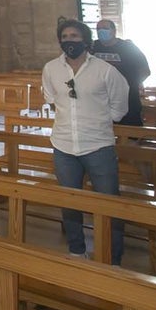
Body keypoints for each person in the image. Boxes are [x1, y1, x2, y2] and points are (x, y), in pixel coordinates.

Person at [41, 19, 129, 263]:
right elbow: (51, 98)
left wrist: (94, 120)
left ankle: (113, 257)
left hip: (97, 144)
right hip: (64, 145)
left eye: (75, 36)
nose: (70, 40)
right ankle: (77, 250)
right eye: (65, 36)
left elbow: (119, 107)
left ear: (86, 40)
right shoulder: (51, 69)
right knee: (70, 202)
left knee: (108, 203)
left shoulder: (105, 70)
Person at [93, 19, 150, 126]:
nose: (101, 31)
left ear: (113, 31)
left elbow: (145, 70)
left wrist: (131, 84)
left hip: (127, 98)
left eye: (105, 28)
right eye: (98, 29)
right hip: (100, 99)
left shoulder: (128, 48)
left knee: (130, 132)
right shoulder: (92, 47)